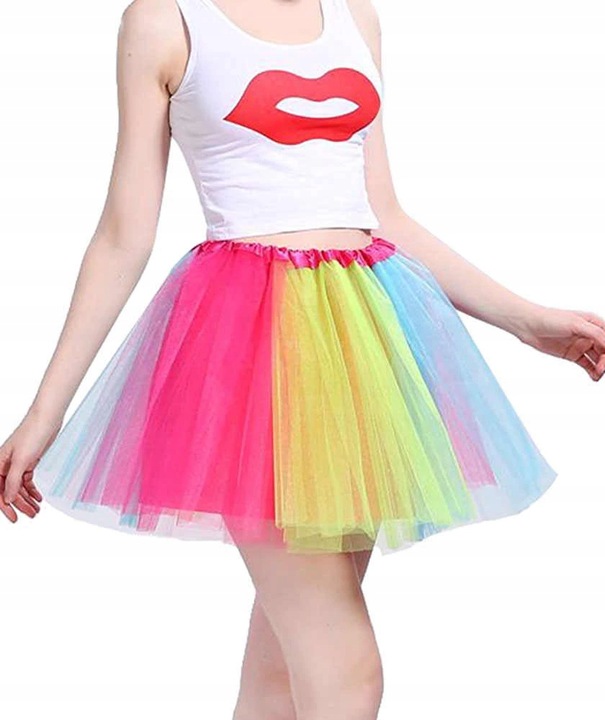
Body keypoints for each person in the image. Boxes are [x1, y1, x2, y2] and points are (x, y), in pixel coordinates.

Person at [1, 1, 603, 718]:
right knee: (347, 671)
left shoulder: (353, 15)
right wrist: (44, 414)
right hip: (250, 348)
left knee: (283, 677)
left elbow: (382, 214)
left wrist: (526, 321)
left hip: (359, 343)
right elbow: (123, 235)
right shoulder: (167, 20)